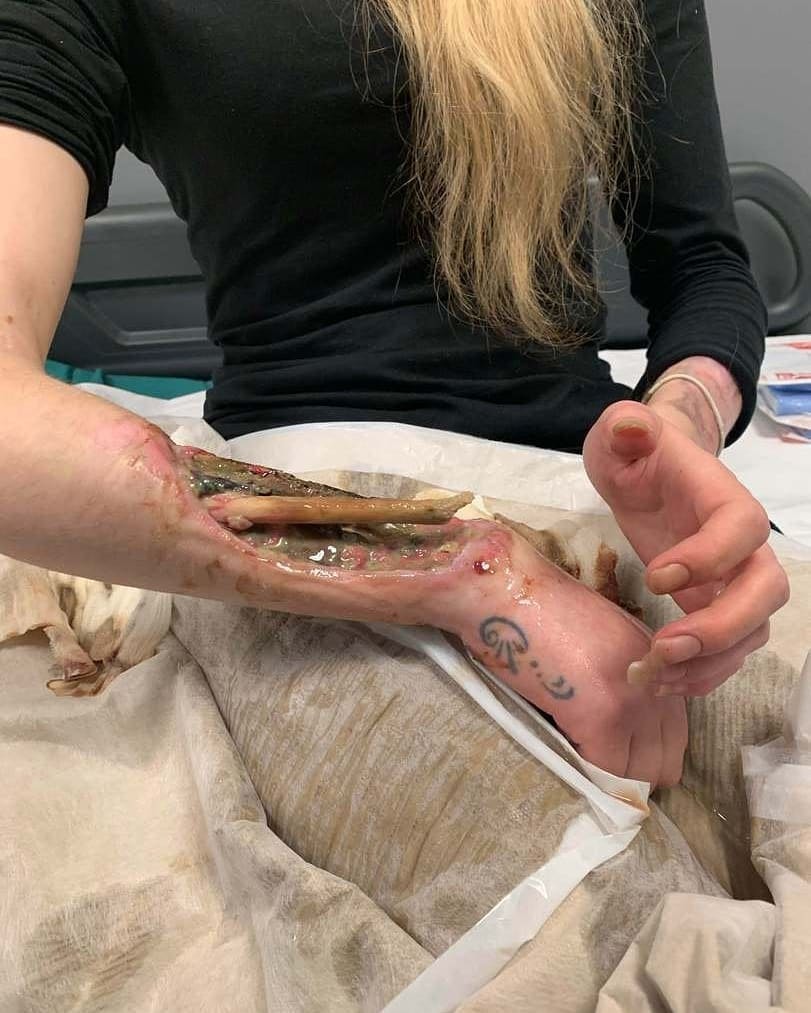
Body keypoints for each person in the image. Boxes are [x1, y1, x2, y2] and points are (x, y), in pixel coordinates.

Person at [0, 0, 789, 781]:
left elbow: (702, 268)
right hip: (296, 499)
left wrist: (679, 423)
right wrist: (472, 572)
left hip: (584, 481)